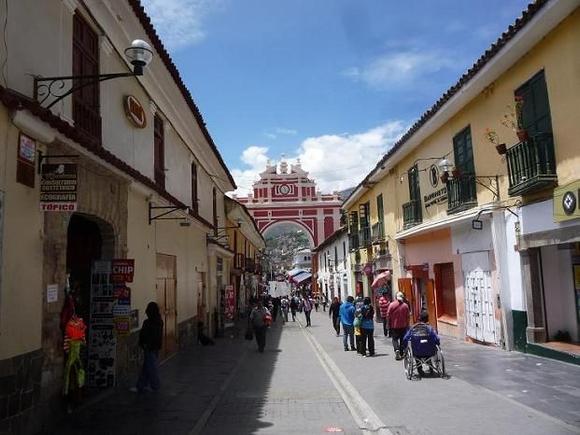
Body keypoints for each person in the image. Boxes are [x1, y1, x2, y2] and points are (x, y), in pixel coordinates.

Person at [135, 302, 163, 393]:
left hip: (149, 347)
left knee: (151, 367)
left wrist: (145, 344)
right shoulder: (159, 321)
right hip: (154, 347)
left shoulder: (149, 322)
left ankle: (155, 385)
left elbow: (148, 335)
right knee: (147, 366)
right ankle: (141, 385)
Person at [402, 311, 440, 376]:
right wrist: (437, 343)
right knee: (428, 349)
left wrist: (405, 346)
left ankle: (420, 369)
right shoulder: (430, 328)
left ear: (419, 318)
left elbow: (405, 338)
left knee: (417, 351)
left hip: (417, 351)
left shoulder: (413, 328)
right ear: (427, 319)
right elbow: (437, 339)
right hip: (430, 351)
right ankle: (431, 368)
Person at [387, 291, 411, 360]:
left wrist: (388, 325)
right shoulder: (405, 305)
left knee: (394, 339)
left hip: (394, 326)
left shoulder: (391, 305)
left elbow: (388, 315)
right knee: (402, 339)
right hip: (403, 326)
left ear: (395, 297)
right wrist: (408, 324)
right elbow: (408, 316)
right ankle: (401, 352)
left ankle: (396, 349)